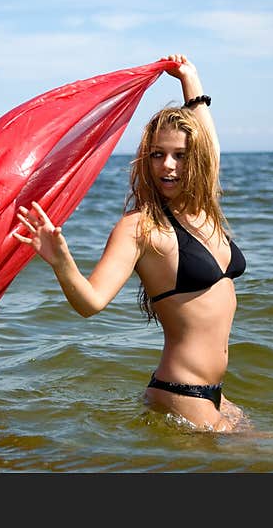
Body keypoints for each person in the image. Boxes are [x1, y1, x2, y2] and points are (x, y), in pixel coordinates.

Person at [13, 54, 246, 433]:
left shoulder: (204, 206)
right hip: (181, 392)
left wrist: (190, 78)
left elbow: (208, 143)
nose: (167, 166)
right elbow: (91, 303)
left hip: (215, 394)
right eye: (157, 155)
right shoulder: (140, 227)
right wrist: (61, 261)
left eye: (179, 156)